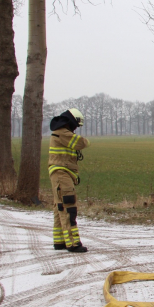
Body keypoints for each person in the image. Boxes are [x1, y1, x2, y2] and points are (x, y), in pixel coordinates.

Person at [49, 108, 90, 252]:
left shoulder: (59, 132)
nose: (76, 129)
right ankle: (73, 243)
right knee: (68, 207)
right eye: (76, 125)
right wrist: (86, 141)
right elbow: (81, 143)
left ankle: (60, 241)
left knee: (59, 207)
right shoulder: (63, 133)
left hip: (60, 173)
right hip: (62, 174)